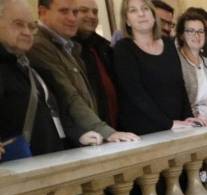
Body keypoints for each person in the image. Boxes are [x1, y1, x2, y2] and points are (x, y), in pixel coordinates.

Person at [29, 0, 140, 144]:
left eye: (75, 12)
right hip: (67, 143)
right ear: (42, 12)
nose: (72, 18)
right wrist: (105, 131)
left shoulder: (69, 46)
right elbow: (68, 95)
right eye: (64, 11)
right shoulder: (39, 45)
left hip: (89, 135)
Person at [114, 0, 206, 133]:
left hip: (177, 126)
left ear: (153, 15)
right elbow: (135, 94)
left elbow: (180, 86)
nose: (141, 14)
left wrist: (189, 118)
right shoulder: (123, 48)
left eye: (145, 9)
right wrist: (168, 123)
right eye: (133, 10)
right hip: (144, 130)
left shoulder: (169, 44)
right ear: (127, 21)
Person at [1, 0, 71, 159]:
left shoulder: (33, 67)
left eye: (31, 26)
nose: (27, 32)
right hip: (19, 175)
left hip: (52, 163)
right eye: (18, 24)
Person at [74, 0, 118, 128]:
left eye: (95, 12)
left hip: (115, 127)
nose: (92, 16)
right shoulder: (69, 50)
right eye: (84, 10)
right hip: (91, 130)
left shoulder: (105, 47)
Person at [176, 10, 207, 123]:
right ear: (181, 35)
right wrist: (197, 117)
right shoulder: (175, 61)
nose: (196, 35)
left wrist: (206, 116)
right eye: (190, 31)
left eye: (201, 31)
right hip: (185, 125)